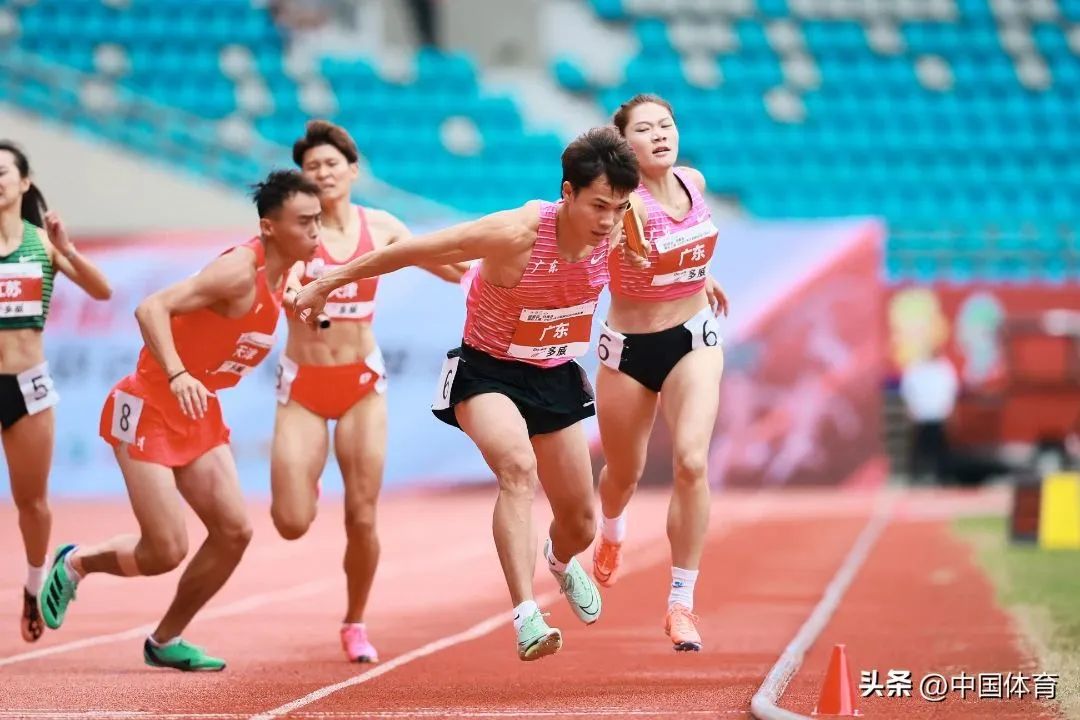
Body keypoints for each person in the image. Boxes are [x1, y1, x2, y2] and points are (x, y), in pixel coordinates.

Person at [294, 126, 641, 661]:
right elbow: (411, 250)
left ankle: (558, 560)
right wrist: (326, 282)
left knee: (579, 523)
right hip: (488, 373)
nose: (608, 221)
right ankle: (527, 615)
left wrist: (697, 282)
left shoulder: (619, 225)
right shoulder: (515, 232)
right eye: (598, 206)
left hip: (554, 374)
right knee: (518, 469)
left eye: (619, 208)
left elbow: (652, 244)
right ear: (567, 193)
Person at [37, 170, 322, 671]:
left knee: (234, 532)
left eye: (318, 219)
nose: (316, 231)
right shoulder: (238, 272)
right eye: (304, 222)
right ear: (269, 227)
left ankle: (165, 640)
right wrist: (178, 373)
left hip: (198, 410)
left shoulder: (288, 271)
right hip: (148, 405)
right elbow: (151, 308)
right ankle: (77, 562)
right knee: (164, 551)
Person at [273, 120, 465, 664]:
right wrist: (295, 293)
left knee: (361, 515)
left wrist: (497, 268)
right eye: (312, 167)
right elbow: (284, 284)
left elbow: (452, 268)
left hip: (360, 386)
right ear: (302, 177)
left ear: (352, 170)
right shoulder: (295, 231)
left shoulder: (380, 227)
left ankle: (355, 622)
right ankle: (307, 480)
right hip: (304, 388)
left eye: (332, 164)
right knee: (291, 523)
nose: (323, 173)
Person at [590, 94, 729, 653]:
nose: (660, 135)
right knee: (623, 474)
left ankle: (681, 603)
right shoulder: (623, 204)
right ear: (625, 145)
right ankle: (611, 528)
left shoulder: (694, 181)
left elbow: (688, 241)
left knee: (692, 461)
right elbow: (596, 242)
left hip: (693, 338)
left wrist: (703, 274)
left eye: (666, 125)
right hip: (629, 351)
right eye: (644, 130)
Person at [0, 141, 113, 644]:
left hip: (27, 387)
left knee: (33, 503)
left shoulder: (42, 244)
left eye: (2, 172)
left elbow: (103, 290)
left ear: (24, 182)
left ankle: (33, 584)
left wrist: (67, 249)